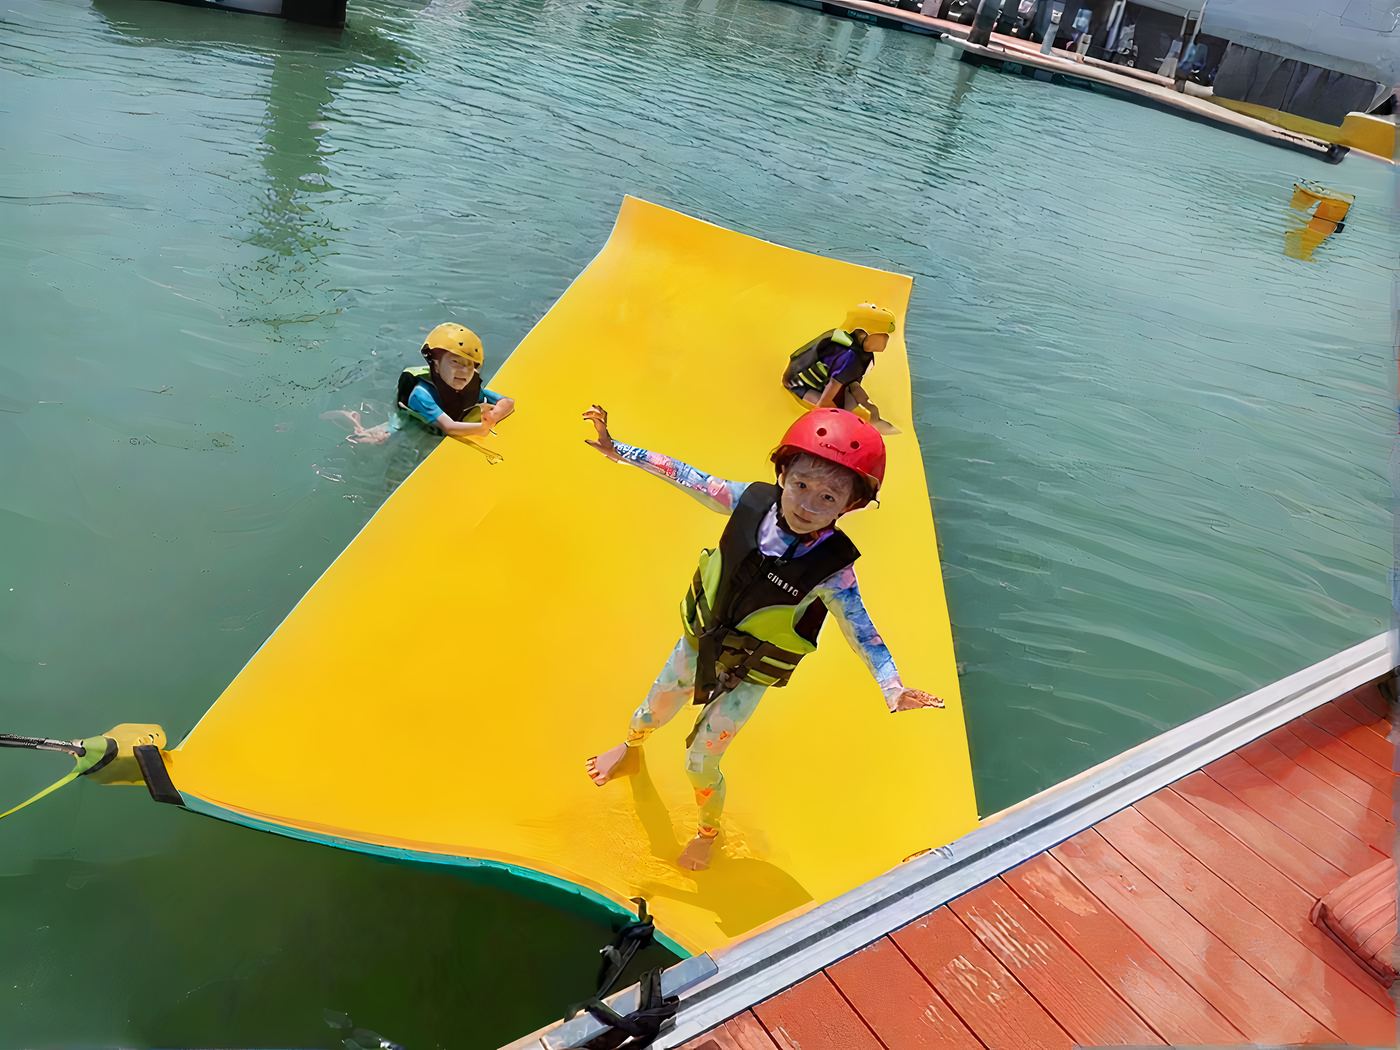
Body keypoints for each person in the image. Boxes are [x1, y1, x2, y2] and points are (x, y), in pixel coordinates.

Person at [581, 405, 943, 871]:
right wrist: (618, 449)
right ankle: (631, 750)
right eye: (801, 486)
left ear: (849, 506)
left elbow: (863, 632)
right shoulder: (746, 502)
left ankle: (707, 833)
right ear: (783, 474)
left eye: (829, 498)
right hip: (700, 642)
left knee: (701, 762)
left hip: (748, 673)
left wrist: (892, 687)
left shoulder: (833, 572)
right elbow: (685, 475)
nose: (808, 505)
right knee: (649, 713)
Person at [783, 303, 897, 433]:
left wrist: (866, 404)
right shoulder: (850, 356)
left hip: (828, 383)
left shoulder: (862, 353)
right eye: (883, 335)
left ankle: (872, 422)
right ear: (862, 334)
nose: (886, 339)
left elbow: (853, 383)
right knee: (839, 414)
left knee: (861, 408)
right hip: (801, 384)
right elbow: (826, 399)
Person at [397, 322, 515, 437]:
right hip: (417, 426)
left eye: (469, 364)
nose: (464, 371)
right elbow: (449, 428)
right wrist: (483, 426)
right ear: (436, 365)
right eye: (455, 362)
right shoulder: (421, 395)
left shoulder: (468, 384)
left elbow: (507, 402)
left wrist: (493, 416)